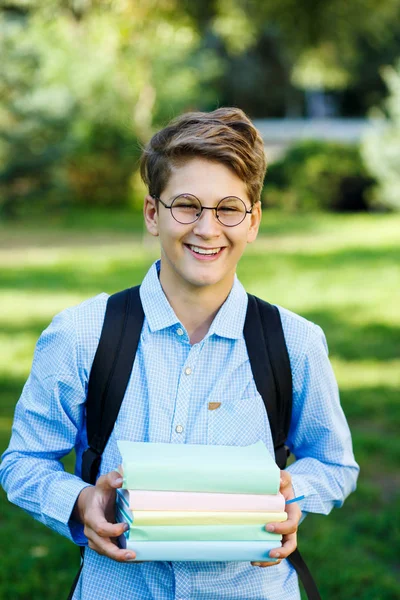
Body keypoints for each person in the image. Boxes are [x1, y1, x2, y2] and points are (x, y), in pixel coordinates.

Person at [0, 107, 359, 600]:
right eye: (186, 205)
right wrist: (80, 500)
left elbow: (334, 463)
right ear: (153, 213)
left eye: (229, 208)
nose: (208, 229)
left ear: (253, 222)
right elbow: (23, 460)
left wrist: (292, 493)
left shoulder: (294, 343)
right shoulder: (81, 335)